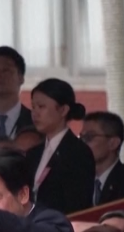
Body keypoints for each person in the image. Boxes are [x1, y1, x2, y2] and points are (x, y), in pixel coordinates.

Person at [25, 79, 96, 214]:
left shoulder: (78, 152)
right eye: (33, 107)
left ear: (63, 110)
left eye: (41, 107)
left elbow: (78, 204)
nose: (35, 113)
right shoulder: (33, 153)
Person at [81, 112, 124, 206]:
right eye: (81, 138)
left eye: (89, 137)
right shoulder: (78, 180)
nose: (81, 144)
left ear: (113, 143)